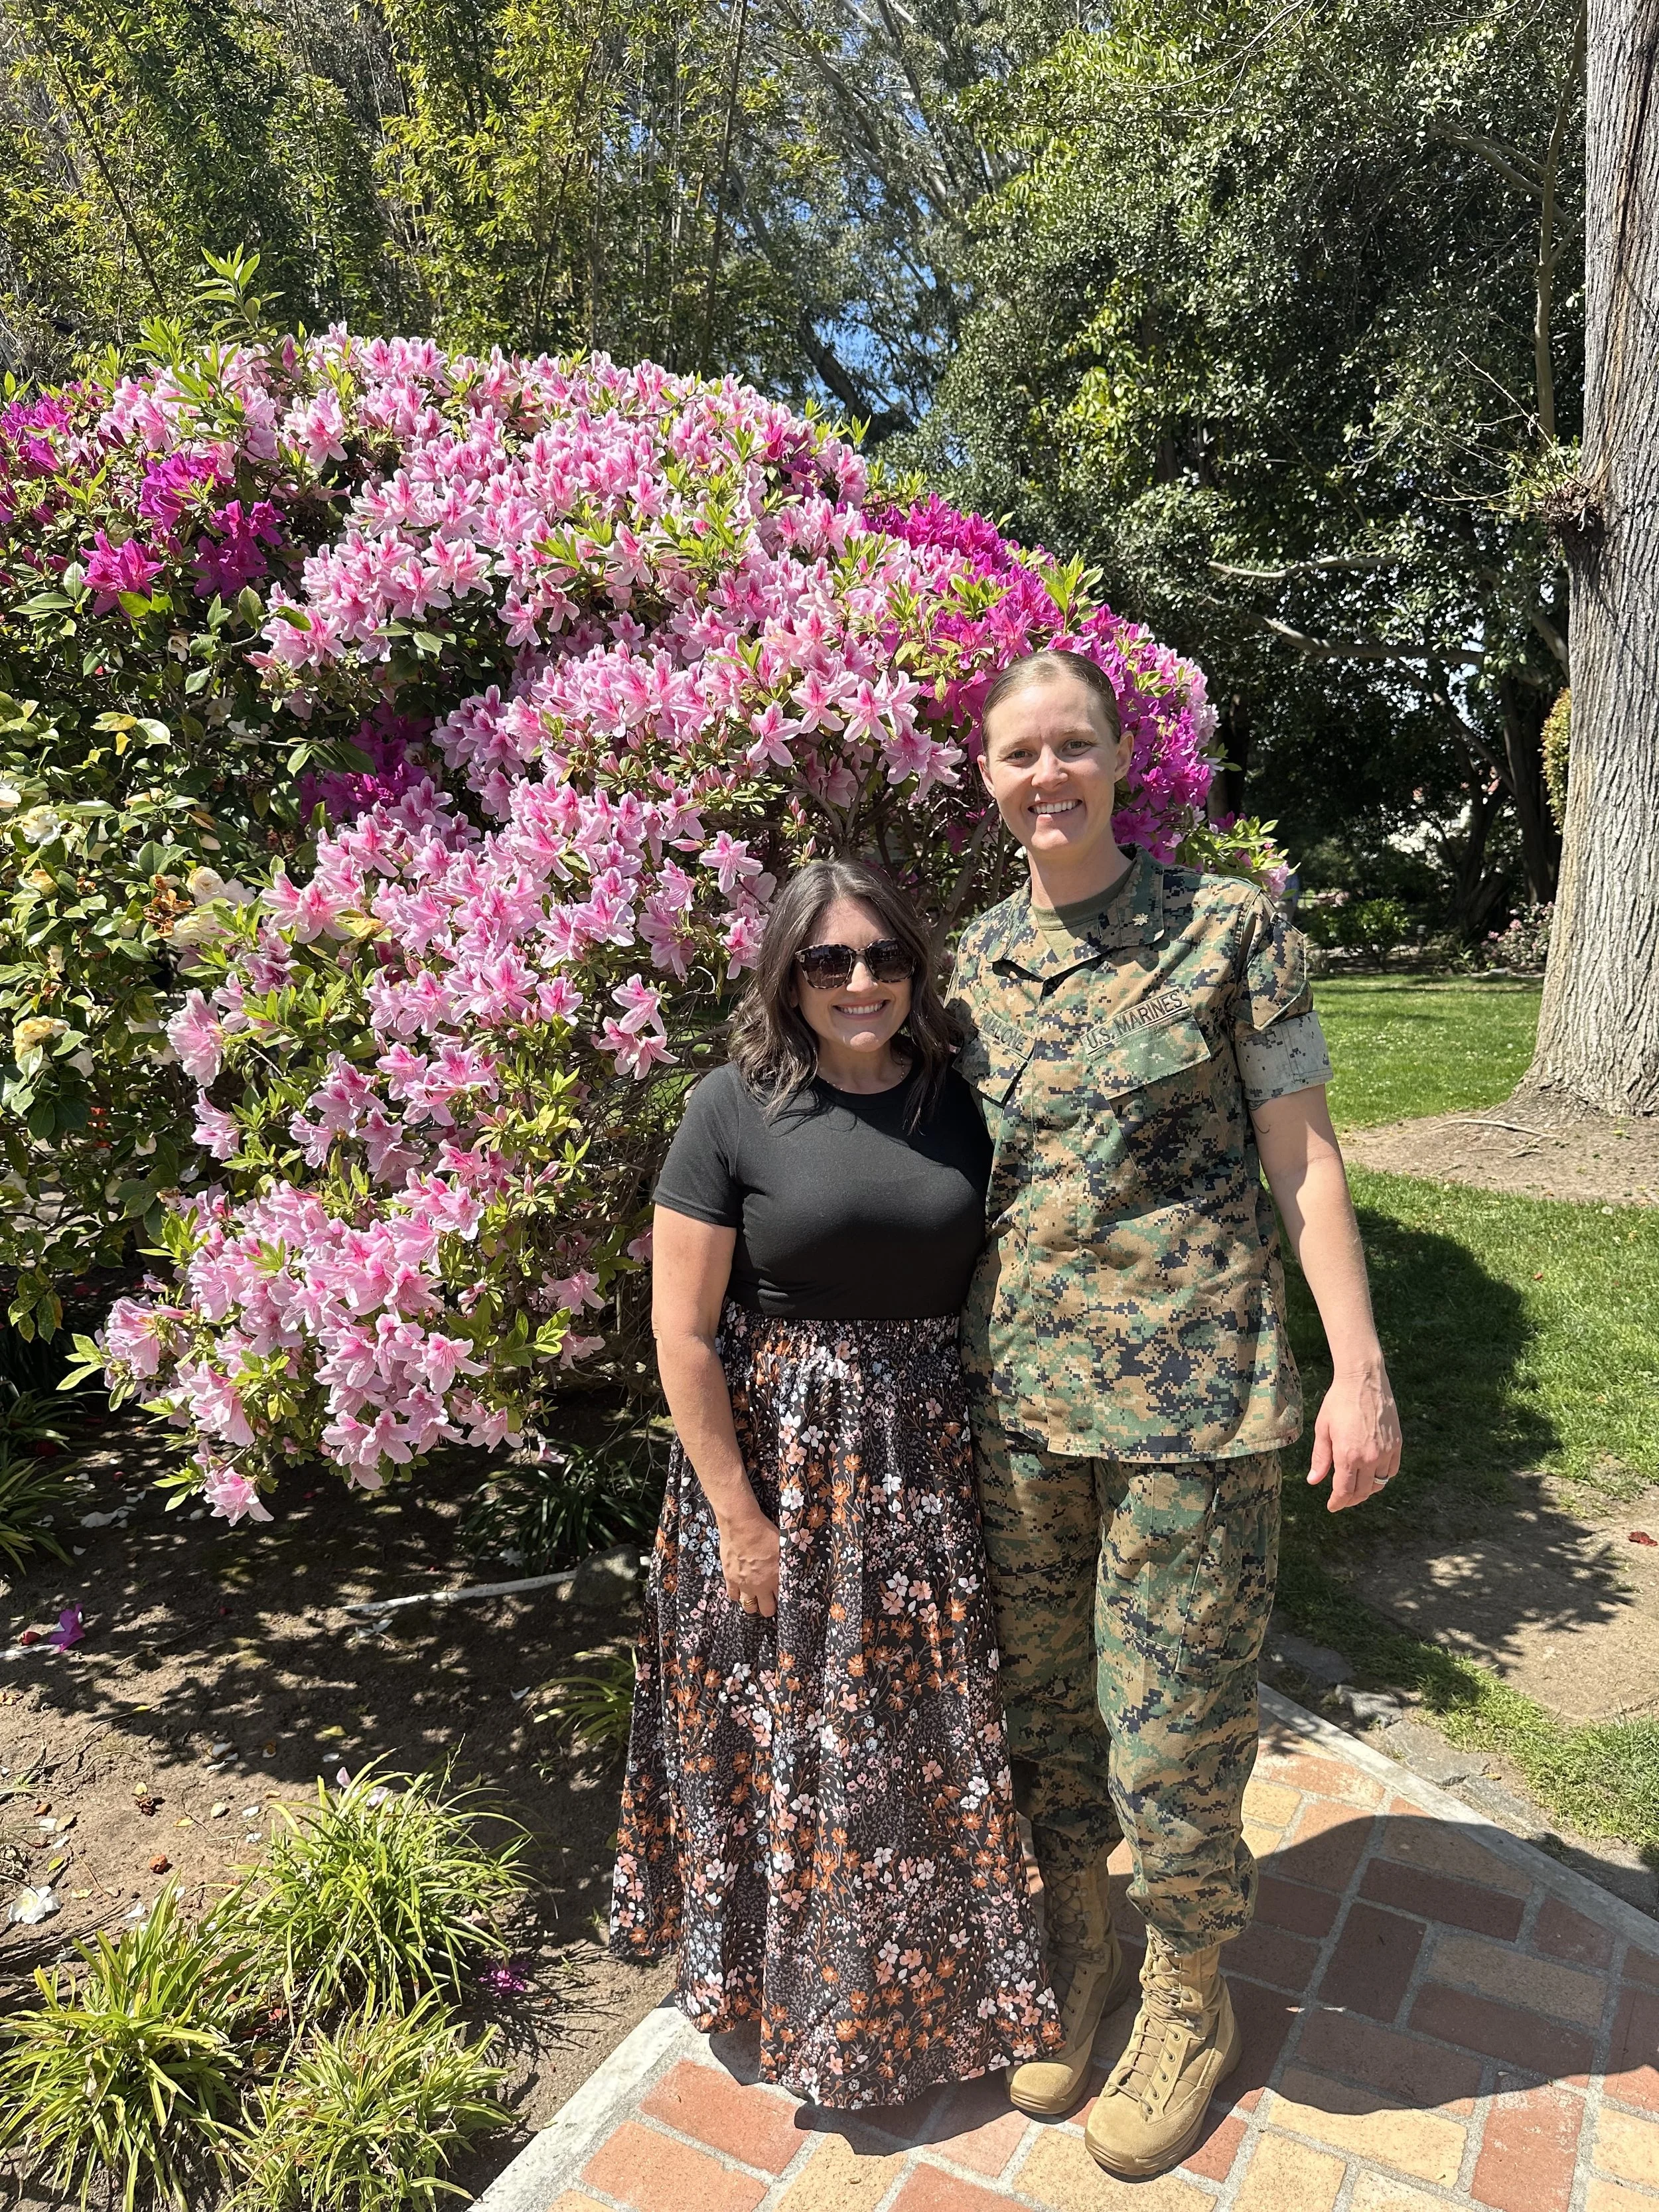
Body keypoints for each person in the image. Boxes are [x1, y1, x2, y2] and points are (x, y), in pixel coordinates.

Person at [947, 648, 1402, 2176]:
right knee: (1047, 1715)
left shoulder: (1227, 928)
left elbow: (1304, 1160)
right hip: (1015, 1405)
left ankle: (1187, 1994)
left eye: (1068, 743)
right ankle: (1080, 1953)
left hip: (1192, 1409)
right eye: (1016, 753)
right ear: (987, 777)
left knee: (1174, 1730)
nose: (1044, 774)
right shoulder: (966, 961)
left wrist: (1359, 1364)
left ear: (1120, 753)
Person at [611, 857, 1060, 2110]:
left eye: (883, 958)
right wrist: (740, 1520)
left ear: (916, 971)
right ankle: (785, 1996)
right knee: (785, 1742)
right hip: (777, 1478)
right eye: (828, 961)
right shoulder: (730, 1109)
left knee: (919, 1742)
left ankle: (934, 1997)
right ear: (788, 977)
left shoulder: (960, 1102)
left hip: (930, 1465)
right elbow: (682, 1335)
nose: (859, 982)